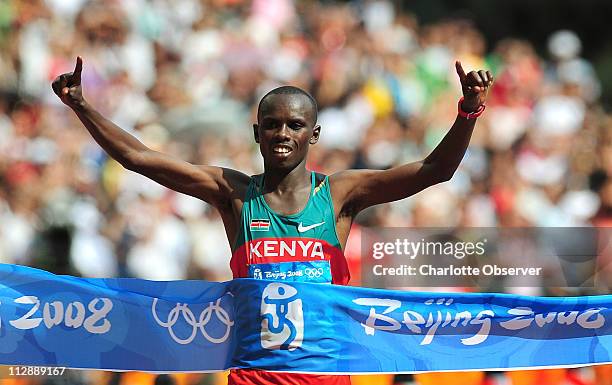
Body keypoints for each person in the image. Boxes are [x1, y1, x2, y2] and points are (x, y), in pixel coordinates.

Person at [52, 56, 493, 385]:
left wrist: (469, 111)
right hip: (254, 379)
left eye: (295, 125)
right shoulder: (236, 195)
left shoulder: (339, 195)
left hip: (326, 378)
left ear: (313, 134)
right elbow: (138, 158)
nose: (283, 134)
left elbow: (436, 170)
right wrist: (81, 106)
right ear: (256, 131)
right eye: (272, 124)